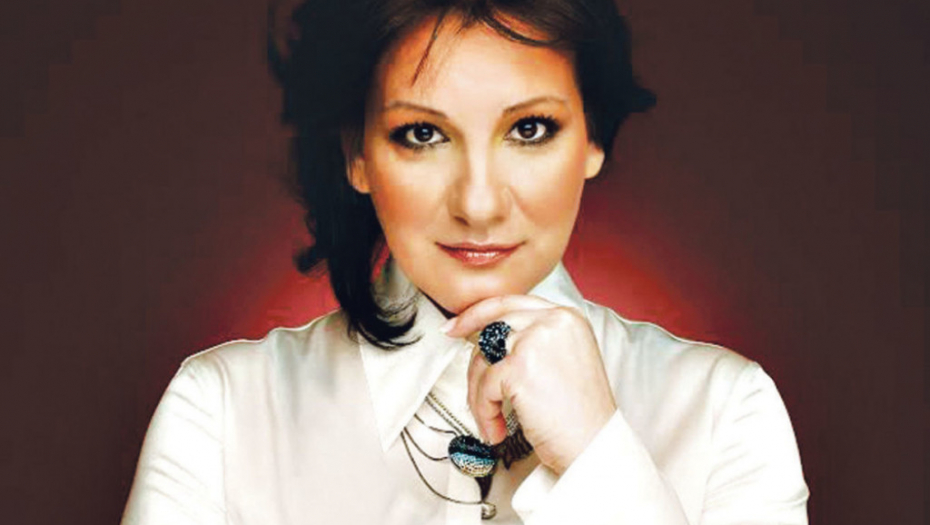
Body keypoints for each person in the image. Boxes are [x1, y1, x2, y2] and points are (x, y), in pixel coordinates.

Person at [121, 0, 809, 523]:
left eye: (529, 129)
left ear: (593, 138)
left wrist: (599, 455)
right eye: (422, 134)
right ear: (356, 153)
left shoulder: (724, 413)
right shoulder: (222, 414)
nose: (478, 204)